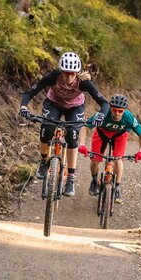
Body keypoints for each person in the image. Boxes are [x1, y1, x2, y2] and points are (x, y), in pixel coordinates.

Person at [18, 52, 110, 197]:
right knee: (47, 128)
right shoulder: (53, 76)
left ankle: (71, 178)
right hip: (53, 104)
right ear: (61, 71)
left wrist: (101, 116)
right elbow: (29, 93)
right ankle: (43, 161)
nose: (69, 77)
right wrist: (23, 107)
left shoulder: (84, 82)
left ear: (77, 72)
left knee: (73, 135)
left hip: (75, 107)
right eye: (66, 73)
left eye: (72, 74)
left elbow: (104, 103)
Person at [80, 94, 141, 203]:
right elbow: (85, 126)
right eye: (114, 110)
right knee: (95, 160)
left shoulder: (129, 118)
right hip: (102, 133)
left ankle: (117, 187)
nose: (117, 113)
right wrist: (82, 144)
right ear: (110, 107)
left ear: (124, 110)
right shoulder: (102, 114)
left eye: (120, 111)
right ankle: (94, 180)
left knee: (117, 159)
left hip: (119, 135)